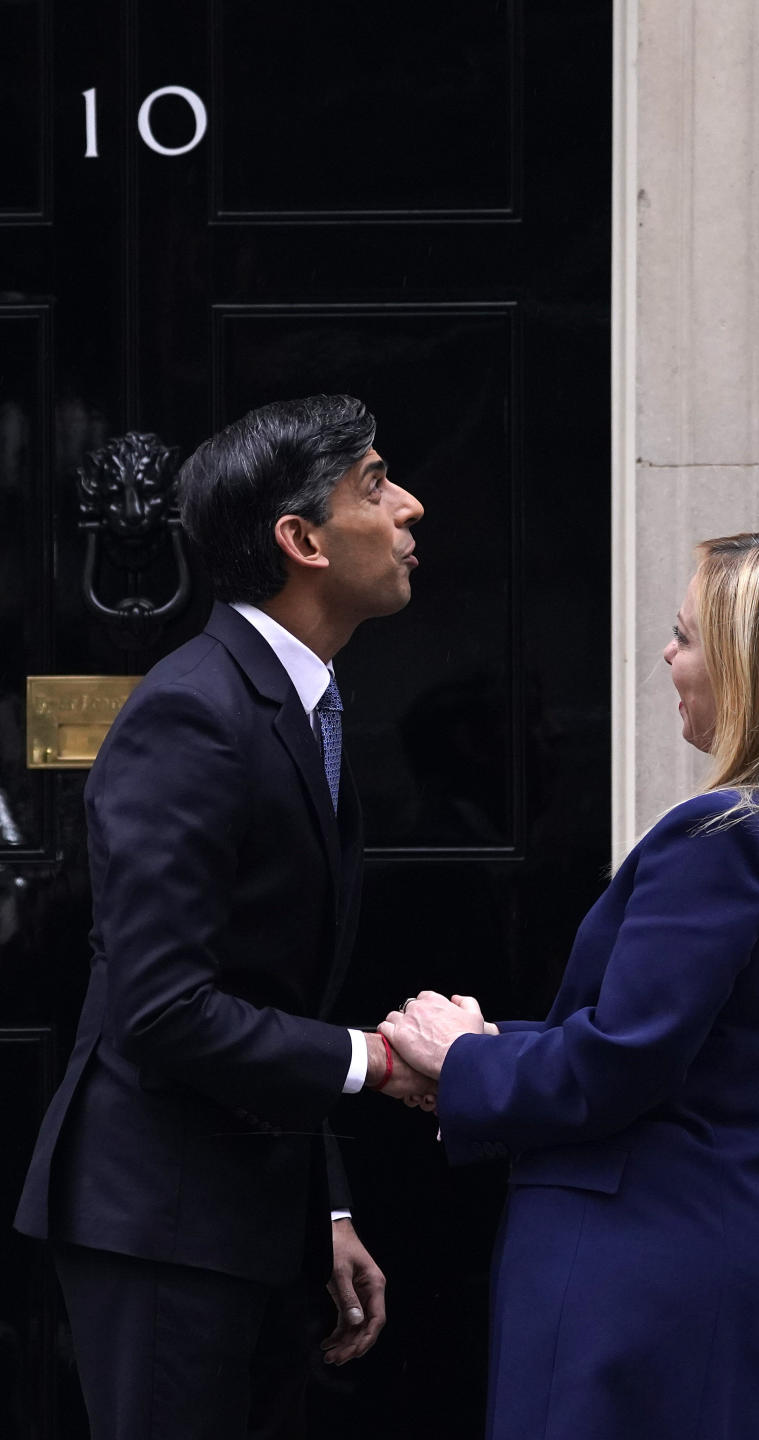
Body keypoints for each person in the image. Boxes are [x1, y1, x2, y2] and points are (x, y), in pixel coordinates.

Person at [380, 532, 759, 1440]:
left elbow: (619, 1064)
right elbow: (691, 1048)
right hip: (732, 1238)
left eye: (686, 636)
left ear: (752, 668)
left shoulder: (720, 835)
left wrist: (463, 1057)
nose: (668, 655)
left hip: (633, 1256)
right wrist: (493, 1048)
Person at [14, 394, 434, 1439]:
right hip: (160, 1225)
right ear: (302, 541)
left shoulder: (305, 702)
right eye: (375, 485)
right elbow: (163, 1009)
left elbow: (267, 994)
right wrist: (378, 1062)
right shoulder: (191, 712)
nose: (410, 508)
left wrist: (323, 1207)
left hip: (249, 1215)